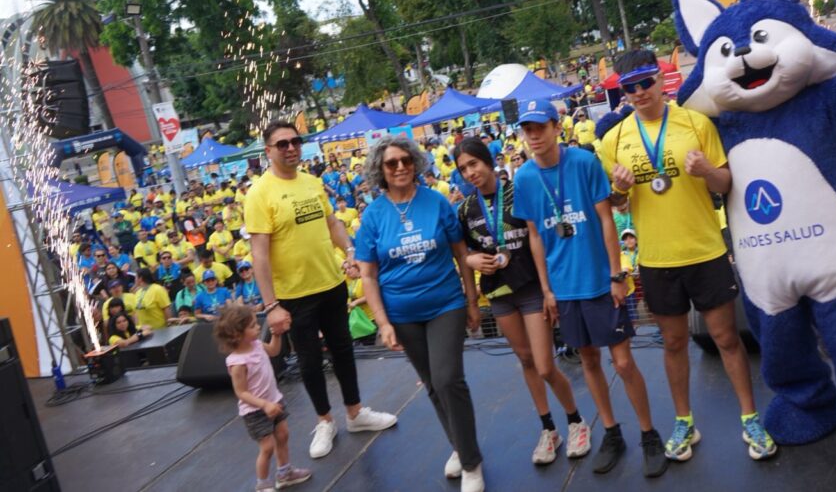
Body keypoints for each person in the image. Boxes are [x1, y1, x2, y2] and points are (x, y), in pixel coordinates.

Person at [598, 51, 774, 465]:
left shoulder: (696, 123)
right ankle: (683, 421)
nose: (640, 93)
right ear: (622, 92)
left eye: (646, 82)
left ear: (662, 80)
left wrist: (706, 173)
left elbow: (725, 182)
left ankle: (750, 417)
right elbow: (618, 203)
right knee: (674, 343)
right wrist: (620, 190)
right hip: (657, 259)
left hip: (705, 250)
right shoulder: (613, 140)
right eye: (630, 87)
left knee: (728, 339)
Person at [513, 99, 668, 479]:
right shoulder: (524, 178)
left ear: (555, 127)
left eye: (539, 127)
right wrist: (547, 290)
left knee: (624, 362)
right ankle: (612, 433)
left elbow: (605, 218)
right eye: (527, 129)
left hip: (600, 281)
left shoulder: (582, 163)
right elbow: (535, 236)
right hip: (563, 289)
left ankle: (649, 434)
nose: (533, 136)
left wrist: (616, 274)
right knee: (588, 360)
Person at [248, 120, 396, 461]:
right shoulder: (260, 193)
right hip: (294, 296)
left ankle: (355, 413)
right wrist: (272, 306)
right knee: (310, 362)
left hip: (331, 285)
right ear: (268, 151)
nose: (290, 148)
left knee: (343, 350)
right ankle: (325, 421)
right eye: (282, 144)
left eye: (295, 141)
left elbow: (331, 223)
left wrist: (348, 250)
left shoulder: (313, 182)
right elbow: (259, 254)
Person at [355, 135, 485, 492]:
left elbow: (461, 254)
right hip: (401, 313)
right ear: (380, 171)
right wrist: (382, 322)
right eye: (391, 163)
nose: (400, 167)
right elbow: (367, 273)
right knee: (431, 384)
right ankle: (460, 446)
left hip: (446, 304)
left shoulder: (437, 202)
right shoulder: (374, 215)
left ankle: (472, 462)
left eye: (405, 160)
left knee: (448, 379)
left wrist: (472, 302)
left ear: (415, 162)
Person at [454, 137, 588, 466]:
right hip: (499, 293)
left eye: (474, 164)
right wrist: (471, 261)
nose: (470, 173)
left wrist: (547, 289)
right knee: (526, 361)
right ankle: (548, 429)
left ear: (489, 161)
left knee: (544, 364)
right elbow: (464, 252)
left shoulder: (520, 190)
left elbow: (538, 236)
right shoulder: (466, 209)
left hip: (530, 288)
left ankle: (576, 421)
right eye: (463, 169)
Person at [215, 304, 312, 491]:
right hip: (255, 411)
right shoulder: (237, 362)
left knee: (283, 435)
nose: (258, 327)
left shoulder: (257, 345)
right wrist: (264, 404)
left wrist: (276, 335)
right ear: (237, 334)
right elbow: (241, 392)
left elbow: (274, 351)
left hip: (274, 401)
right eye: (252, 325)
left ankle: (284, 473)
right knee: (267, 447)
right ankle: (262, 484)